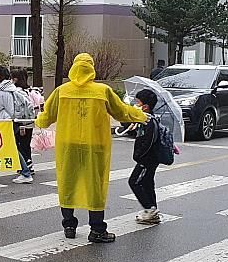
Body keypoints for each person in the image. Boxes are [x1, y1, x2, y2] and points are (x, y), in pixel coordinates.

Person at [36, 53, 147, 243]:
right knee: (95, 184)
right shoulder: (102, 91)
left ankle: (69, 225)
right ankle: (97, 229)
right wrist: (142, 116)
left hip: (67, 145)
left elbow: (47, 117)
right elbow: (122, 112)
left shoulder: (62, 91)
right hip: (95, 145)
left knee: (67, 182)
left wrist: (37, 121)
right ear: (92, 68)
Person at [0, 66, 34, 184]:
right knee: (1, 146)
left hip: (3, 123)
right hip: (13, 121)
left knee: (10, 148)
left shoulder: (0, 92)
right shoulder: (12, 88)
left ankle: (25, 173)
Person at [128, 89, 162, 224]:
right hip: (149, 159)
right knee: (147, 183)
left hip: (147, 160)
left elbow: (148, 142)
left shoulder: (149, 121)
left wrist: (139, 156)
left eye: (138, 103)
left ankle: (149, 209)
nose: (135, 105)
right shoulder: (144, 120)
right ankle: (153, 210)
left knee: (134, 182)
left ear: (145, 107)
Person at [11, 69, 35, 175]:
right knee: (26, 145)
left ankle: (26, 165)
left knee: (20, 145)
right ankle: (28, 165)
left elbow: (21, 108)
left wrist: (20, 121)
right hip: (30, 121)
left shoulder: (17, 92)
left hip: (22, 122)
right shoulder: (30, 90)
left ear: (15, 79)